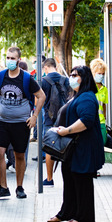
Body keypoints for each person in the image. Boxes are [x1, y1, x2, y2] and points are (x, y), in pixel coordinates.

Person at [0, 46, 46, 199]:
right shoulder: (1, 76)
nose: (10, 60)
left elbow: (42, 96)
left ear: (19, 59)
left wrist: (35, 116)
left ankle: (19, 187)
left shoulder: (26, 78)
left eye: (13, 58)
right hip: (2, 121)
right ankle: (3, 187)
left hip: (20, 123)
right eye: (8, 57)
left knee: (19, 155)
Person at [47, 65, 104, 222]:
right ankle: (67, 213)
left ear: (84, 78)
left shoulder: (87, 97)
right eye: (71, 74)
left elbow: (86, 120)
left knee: (81, 183)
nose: (71, 78)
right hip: (73, 148)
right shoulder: (78, 95)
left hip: (83, 148)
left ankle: (82, 218)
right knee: (70, 181)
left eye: (75, 75)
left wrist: (67, 130)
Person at [41, 58, 71, 187]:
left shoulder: (43, 81)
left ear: (46, 68)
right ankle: (68, 178)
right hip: (65, 118)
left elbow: (39, 101)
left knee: (50, 147)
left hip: (49, 118)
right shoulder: (66, 80)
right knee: (67, 146)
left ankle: (49, 178)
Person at [90, 58, 108, 144]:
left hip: (101, 122)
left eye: (103, 74)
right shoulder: (89, 88)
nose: (101, 76)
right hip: (91, 122)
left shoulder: (104, 89)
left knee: (103, 143)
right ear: (93, 73)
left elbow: (104, 105)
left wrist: (104, 117)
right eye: (99, 73)